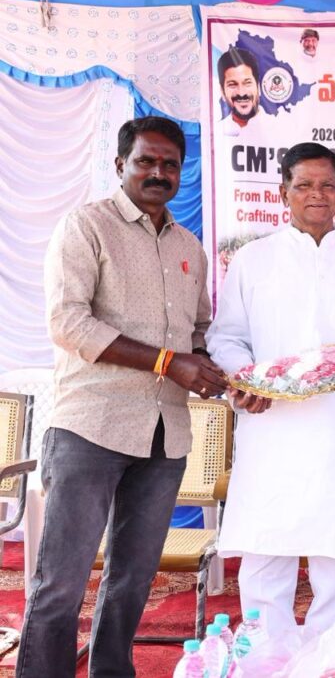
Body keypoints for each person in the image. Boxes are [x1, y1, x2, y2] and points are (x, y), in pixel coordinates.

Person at [17, 116, 226, 677]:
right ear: (120, 165)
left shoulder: (188, 247)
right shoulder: (86, 227)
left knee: (133, 578)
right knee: (61, 581)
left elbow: (197, 331)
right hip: (91, 427)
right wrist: (167, 362)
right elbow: (69, 324)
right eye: (145, 161)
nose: (158, 173)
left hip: (165, 435)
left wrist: (223, 372)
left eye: (169, 165)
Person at [207, 142, 335, 637]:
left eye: (327, 185)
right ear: (283, 193)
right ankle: (267, 656)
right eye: (304, 185)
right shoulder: (253, 259)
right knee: (265, 555)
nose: (317, 194)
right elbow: (225, 337)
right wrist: (246, 379)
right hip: (269, 428)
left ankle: (327, 657)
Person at [218, 46, 261, 135]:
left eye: (247, 83)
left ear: (258, 87)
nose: (241, 93)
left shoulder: (279, 128)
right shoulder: (216, 132)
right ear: (222, 91)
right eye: (232, 84)